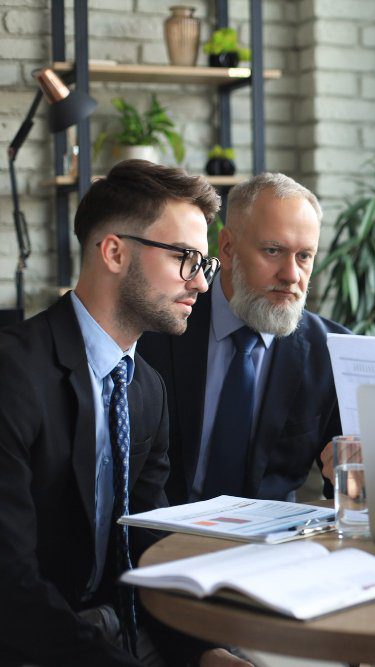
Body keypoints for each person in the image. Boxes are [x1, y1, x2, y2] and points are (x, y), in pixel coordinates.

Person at [0, 160, 246, 665]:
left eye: (203, 264)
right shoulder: (13, 374)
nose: (202, 285)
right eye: (184, 257)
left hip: (122, 625)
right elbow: (9, 584)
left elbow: (147, 545)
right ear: (114, 252)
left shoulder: (147, 388)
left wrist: (204, 653)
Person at [138, 173, 350, 504]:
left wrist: (360, 470)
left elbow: (348, 488)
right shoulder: (159, 325)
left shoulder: (332, 351)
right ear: (227, 248)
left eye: (304, 256)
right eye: (273, 250)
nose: (291, 275)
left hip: (270, 534)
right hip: (159, 528)